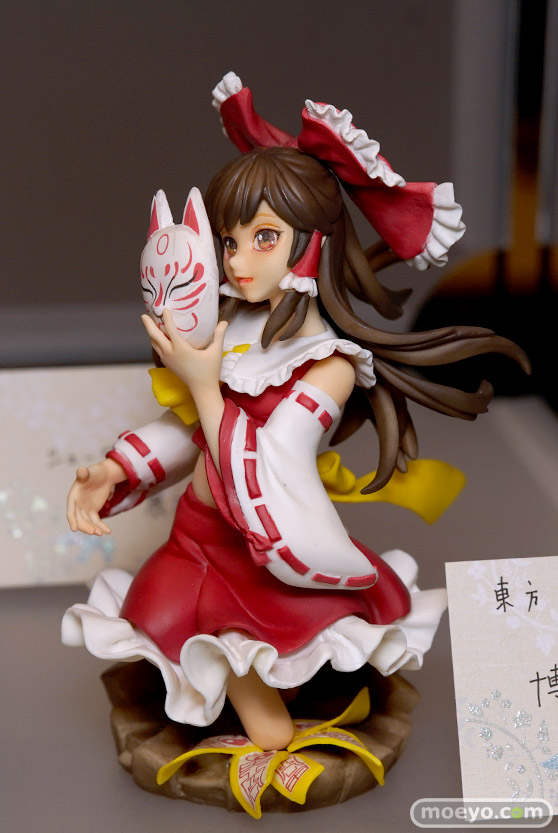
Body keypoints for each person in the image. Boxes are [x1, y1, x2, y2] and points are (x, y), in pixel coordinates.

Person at [62, 73, 529, 752]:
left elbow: (278, 460)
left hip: (261, 551)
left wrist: (204, 387)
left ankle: (275, 729)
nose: (238, 260)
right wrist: (115, 470)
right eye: (229, 241)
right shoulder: (231, 329)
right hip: (195, 537)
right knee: (162, 619)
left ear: (309, 244)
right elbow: (190, 434)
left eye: (263, 237)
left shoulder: (329, 364)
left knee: (253, 673)